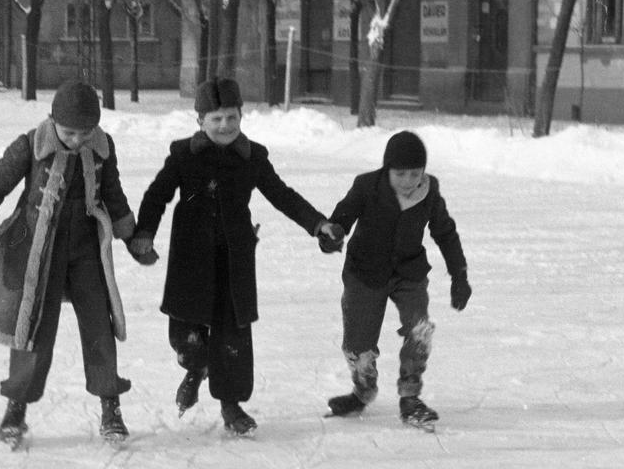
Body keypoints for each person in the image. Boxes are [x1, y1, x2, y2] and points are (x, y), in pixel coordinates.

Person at [131, 78, 344, 437]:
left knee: (233, 334)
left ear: (241, 115)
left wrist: (318, 224)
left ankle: (231, 406)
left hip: (234, 256)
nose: (225, 125)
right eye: (216, 119)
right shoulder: (184, 155)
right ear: (200, 121)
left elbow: (282, 195)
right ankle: (196, 368)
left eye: (231, 117)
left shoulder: (252, 157)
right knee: (186, 337)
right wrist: (145, 232)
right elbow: (157, 195)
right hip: (191, 258)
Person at [0, 80, 154, 449]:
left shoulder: (102, 148)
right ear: (53, 122)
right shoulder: (30, 146)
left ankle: (110, 406)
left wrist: (131, 237)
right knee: (32, 328)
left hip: (85, 252)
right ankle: (16, 407)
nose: (79, 140)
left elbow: (113, 194)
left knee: (100, 324)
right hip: (37, 251)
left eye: (87, 132)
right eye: (70, 132)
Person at [323, 130, 471, 429]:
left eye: (415, 173)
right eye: (400, 173)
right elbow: (341, 219)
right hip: (365, 271)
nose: (408, 181)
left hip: (408, 272)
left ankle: (410, 396)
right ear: (387, 169)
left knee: (420, 329)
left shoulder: (429, 191)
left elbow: (445, 232)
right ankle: (363, 390)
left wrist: (459, 275)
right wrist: (332, 237)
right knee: (358, 343)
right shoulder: (367, 186)